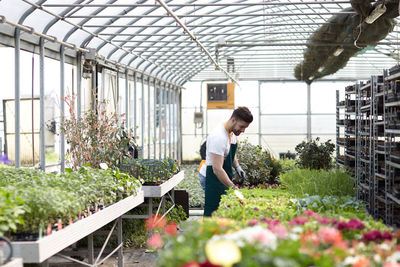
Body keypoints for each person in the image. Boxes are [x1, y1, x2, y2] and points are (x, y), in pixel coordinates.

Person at [204, 106, 253, 216]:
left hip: (222, 175)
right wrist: (233, 188)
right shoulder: (219, 137)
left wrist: (237, 166)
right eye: (242, 126)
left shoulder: (232, 132)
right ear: (233, 120)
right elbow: (217, 169)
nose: (243, 130)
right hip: (213, 177)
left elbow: (231, 151)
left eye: (245, 127)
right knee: (214, 208)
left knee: (224, 209)